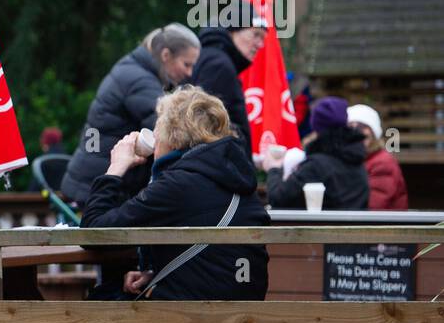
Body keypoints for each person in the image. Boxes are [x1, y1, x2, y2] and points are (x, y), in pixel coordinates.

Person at [82, 85, 270, 300]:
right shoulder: (235, 178)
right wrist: (158, 274)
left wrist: (115, 169)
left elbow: (93, 233)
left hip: (193, 321)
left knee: (96, 303)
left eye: (157, 129)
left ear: (171, 137)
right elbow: (218, 263)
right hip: (241, 315)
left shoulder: (179, 184)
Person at [61, 23, 201, 204]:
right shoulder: (139, 80)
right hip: (98, 187)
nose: (189, 73)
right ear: (166, 55)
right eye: (186, 64)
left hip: (91, 180)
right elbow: (171, 129)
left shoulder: (135, 70)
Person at [262, 97, 368, 211]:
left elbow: (278, 198)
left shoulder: (315, 166)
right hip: (356, 227)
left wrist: (274, 168)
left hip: (323, 228)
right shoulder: (357, 161)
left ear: (317, 128)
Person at [190, 17, 265, 148]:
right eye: (256, 34)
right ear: (233, 31)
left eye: (262, 38)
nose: (260, 45)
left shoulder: (214, 58)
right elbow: (204, 124)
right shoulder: (219, 65)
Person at [347, 103, 409, 210]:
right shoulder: (358, 159)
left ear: (374, 132)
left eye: (363, 126)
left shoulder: (383, 162)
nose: (357, 131)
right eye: (351, 126)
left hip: (386, 225)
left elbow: (374, 205)